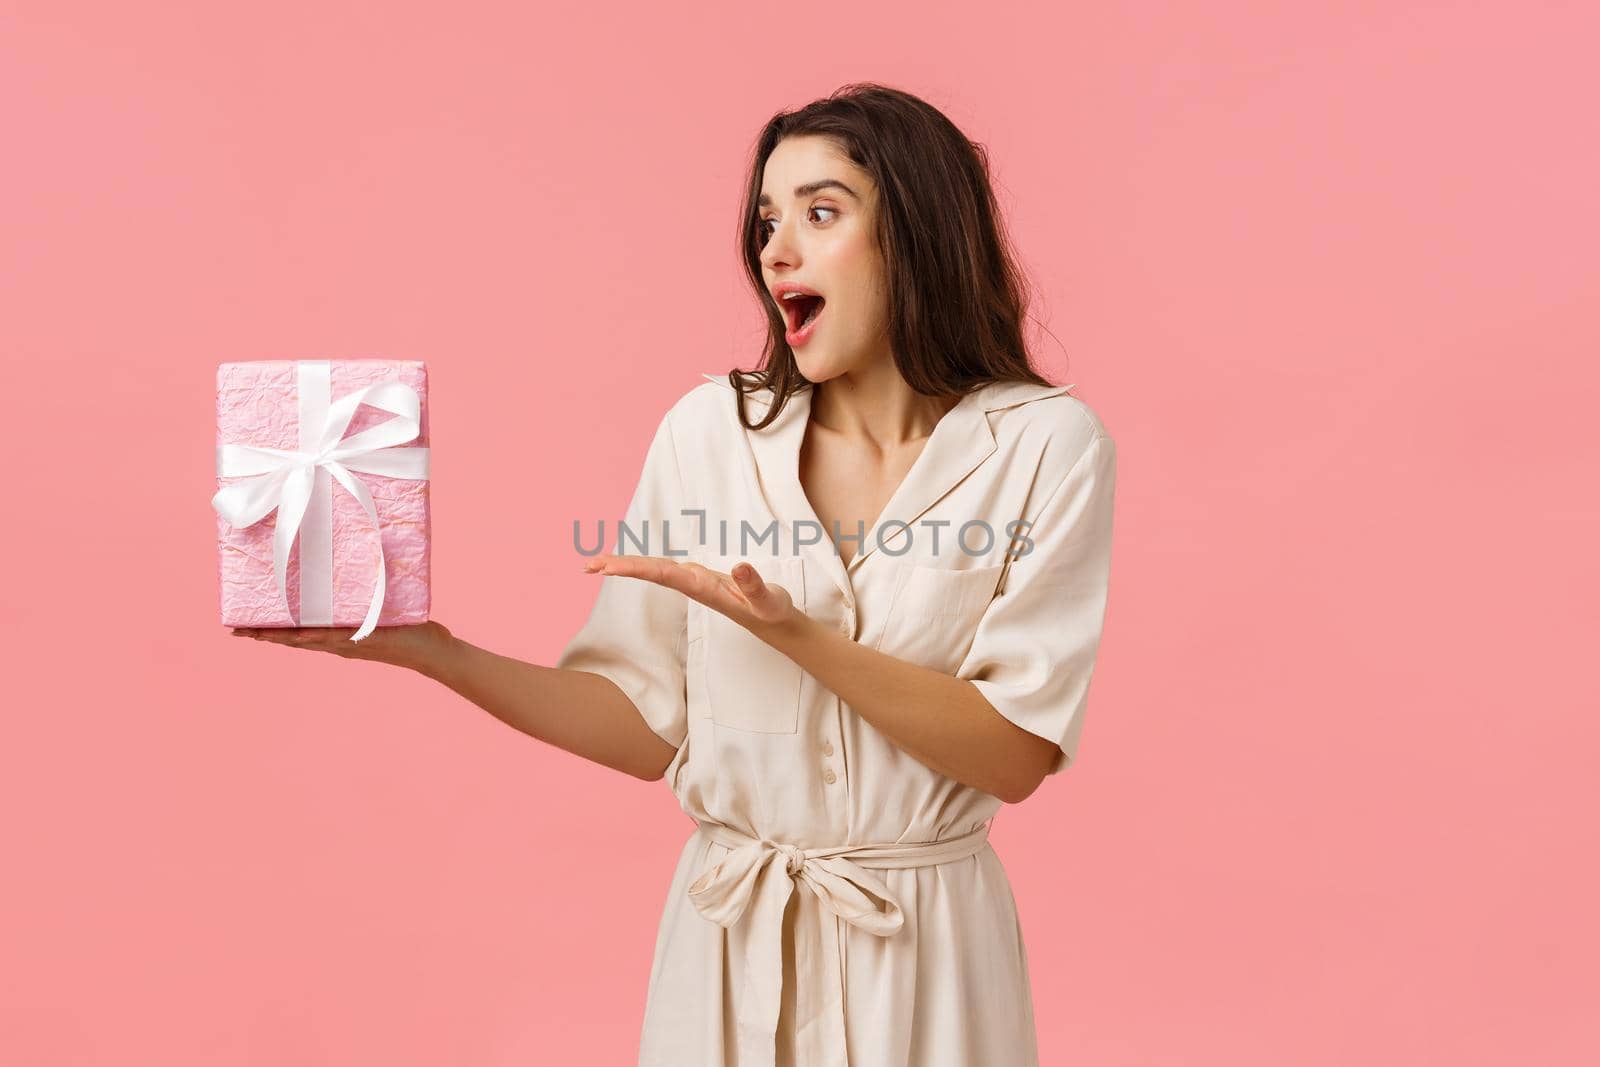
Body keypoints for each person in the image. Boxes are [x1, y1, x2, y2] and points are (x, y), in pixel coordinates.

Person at [233, 82, 1119, 1067]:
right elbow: (644, 723)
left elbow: (1011, 754)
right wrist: (437, 654)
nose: (775, 249)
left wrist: (794, 633)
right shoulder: (709, 432)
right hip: (726, 945)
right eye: (766, 219)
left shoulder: (1043, 445)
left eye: (820, 212)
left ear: (916, 233)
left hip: (928, 949)